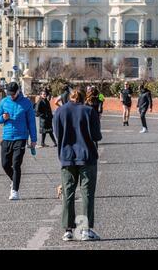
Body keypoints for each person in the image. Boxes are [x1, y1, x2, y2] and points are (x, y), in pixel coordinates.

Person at [53, 87, 103, 241]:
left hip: (67, 157)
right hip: (87, 156)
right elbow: (96, 136)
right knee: (87, 193)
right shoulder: (89, 111)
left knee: (68, 193)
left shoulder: (60, 112)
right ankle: (85, 230)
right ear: (83, 98)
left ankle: (68, 230)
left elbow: (57, 134)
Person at [0, 82, 37, 201]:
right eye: (9, 94)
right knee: (5, 164)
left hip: (21, 137)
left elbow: (31, 122)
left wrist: (33, 139)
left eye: (13, 94)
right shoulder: (4, 101)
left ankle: (15, 190)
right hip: (7, 137)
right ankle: (14, 180)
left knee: (16, 164)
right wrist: (2, 118)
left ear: (18, 91)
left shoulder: (26, 103)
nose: (11, 96)